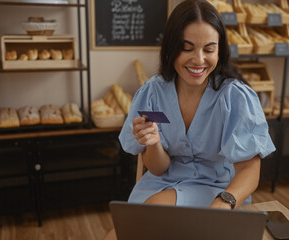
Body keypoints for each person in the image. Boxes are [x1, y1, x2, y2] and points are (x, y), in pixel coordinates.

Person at [105, 0, 275, 239]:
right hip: (161, 182)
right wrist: (152, 143)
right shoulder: (153, 92)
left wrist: (222, 204)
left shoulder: (235, 96)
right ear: (171, 47)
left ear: (220, 50)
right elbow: (158, 167)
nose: (199, 60)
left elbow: (249, 169)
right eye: (187, 48)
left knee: (139, 223)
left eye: (209, 49)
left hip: (219, 191)